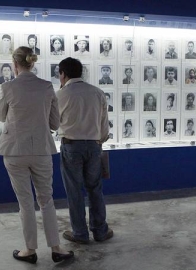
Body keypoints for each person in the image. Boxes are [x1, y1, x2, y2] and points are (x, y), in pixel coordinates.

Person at [0, 47, 73, 264]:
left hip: (14, 150)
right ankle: (56, 248)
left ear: (15, 64)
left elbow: (0, 116)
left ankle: (29, 249)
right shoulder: (47, 86)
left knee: (25, 202)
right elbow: (54, 123)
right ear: (33, 63)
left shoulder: (8, 87)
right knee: (46, 199)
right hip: (41, 149)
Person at [57, 57, 114, 247]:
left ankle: (80, 233)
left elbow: (54, 123)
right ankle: (100, 230)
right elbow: (104, 125)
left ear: (63, 74)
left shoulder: (61, 95)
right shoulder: (97, 92)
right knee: (95, 188)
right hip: (94, 145)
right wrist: (100, 140)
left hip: (71, 146)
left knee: (74, 190)